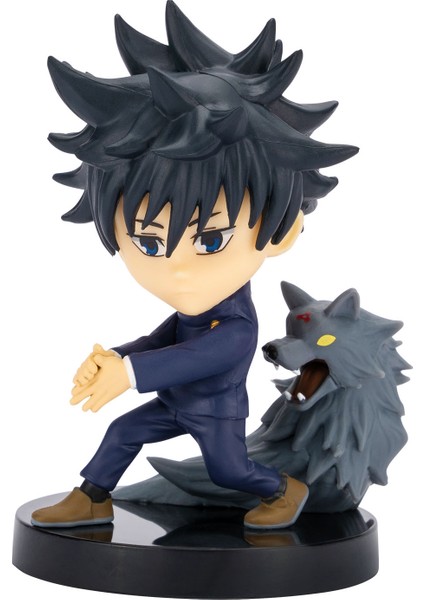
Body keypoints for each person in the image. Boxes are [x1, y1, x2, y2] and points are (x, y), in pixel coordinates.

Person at [31, 1, 357, 530]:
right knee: (122, 433)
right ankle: (91, 498)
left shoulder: (236, 326)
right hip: (172, 403)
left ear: (285, 231)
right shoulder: (196, 312)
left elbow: (195, 356)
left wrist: (128, 373)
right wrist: (116, 356)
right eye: (149, 242)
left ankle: (284, 489)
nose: (176, 268)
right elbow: (164, 340)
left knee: (229, 471)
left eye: (209, 239)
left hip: (214, 415)